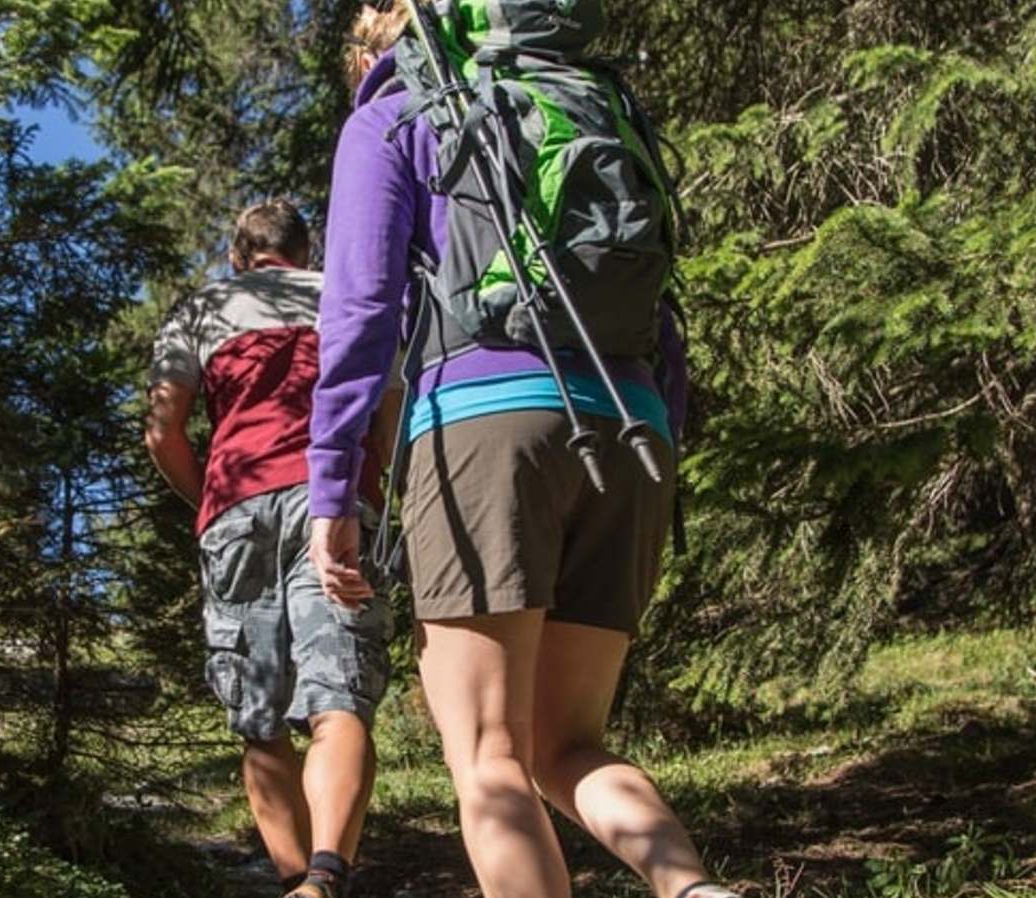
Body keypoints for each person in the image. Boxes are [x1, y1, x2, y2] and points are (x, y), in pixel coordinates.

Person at [305, 7, 739, 898]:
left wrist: (334, 485)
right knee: (567, 746)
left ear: (377, 44)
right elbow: (660, 307)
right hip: (629, 425)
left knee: (489, 755)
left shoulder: (393, 116)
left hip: (483, 426)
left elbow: (358, 313)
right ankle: (696, 891)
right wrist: (656, 440)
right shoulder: (585, 97)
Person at [147, 200, 396, 898]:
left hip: (237, 508)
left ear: (238, 256)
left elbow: (163, 431)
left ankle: (294, 884)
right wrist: (372, 491)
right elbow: (386, 418)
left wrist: (208, 501)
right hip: (337, 504)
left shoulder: (200, 308)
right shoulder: (347, 296)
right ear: (306, 250)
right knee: (339, 698)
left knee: (260, 720)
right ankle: (326, 876)